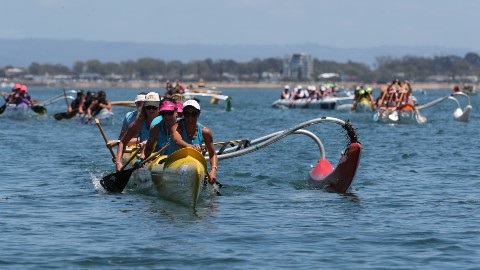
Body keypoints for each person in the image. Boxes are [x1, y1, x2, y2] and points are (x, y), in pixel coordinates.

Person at [169, 99, 218, 183]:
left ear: (198, 114)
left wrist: (213, 170)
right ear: (183, 114)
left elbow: (212, 153)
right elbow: (178, 141)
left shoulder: (205, 132)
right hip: (173, 163)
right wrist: (192, 147)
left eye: (193, 114)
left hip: (192, 166)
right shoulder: (176, 127)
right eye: (187, 114)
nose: (190, 117)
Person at [115, 92, 160, 171]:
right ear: (144, 107)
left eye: (154, 107)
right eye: (148, 107)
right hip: (144, 157)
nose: (151, 110)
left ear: (159, 107)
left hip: (160, 155)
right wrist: (118, 162)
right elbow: (123, 142)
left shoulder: (165, 120)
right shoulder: (139, 122)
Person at [141, 98, 179, 163]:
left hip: (180, 158)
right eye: (163, 113)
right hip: (163, 159)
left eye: (170, 113)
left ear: (176, 112)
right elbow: (149, 148)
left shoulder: (184, 125)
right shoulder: (156, 128)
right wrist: (143, 160)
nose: (167, 116)